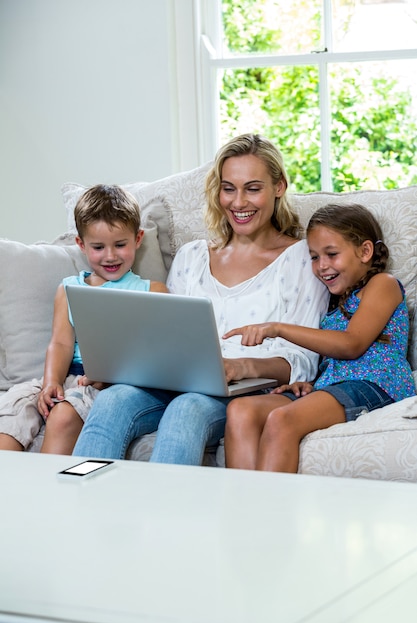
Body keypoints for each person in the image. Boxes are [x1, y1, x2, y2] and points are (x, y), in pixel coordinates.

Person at [72, 133, 329, 464]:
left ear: (279, 186)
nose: (238, 202)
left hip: (240, 391)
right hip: (170, 381)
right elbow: (161, 333)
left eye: (253, 188)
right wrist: (121, 366)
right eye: (229, 188)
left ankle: (169, 515)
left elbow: (304, 361)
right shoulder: (192, 256)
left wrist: (241, 367)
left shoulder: (301, 260)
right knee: (112, 400)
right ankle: (79, 509)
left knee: (187, 408)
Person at [223, 203, 416, 473]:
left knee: (282, 419)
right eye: (314, 257)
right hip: (332, 386)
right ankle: (242, 511)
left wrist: (277, 328)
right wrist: (309, 384)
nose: (322, 266)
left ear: (365, 251)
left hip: (375, 384)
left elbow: (351, 344)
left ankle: (265, 514)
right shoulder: (335, 302)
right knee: (241, 410)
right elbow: (332, 355)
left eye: (332, 254)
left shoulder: (383, 284)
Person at [0, 184, 167, 454]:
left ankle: (48, 493)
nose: (110, 256)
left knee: (64, 415)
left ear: (137, 239)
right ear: (81, 245)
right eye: (98, 247)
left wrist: (111, 376)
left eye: (120, 245)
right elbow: (61, 344)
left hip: (102, 384)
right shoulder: (69, 289)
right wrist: (51, 381)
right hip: (65, 375)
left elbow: (159, 355)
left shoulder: (153, 291)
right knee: (14, 410)